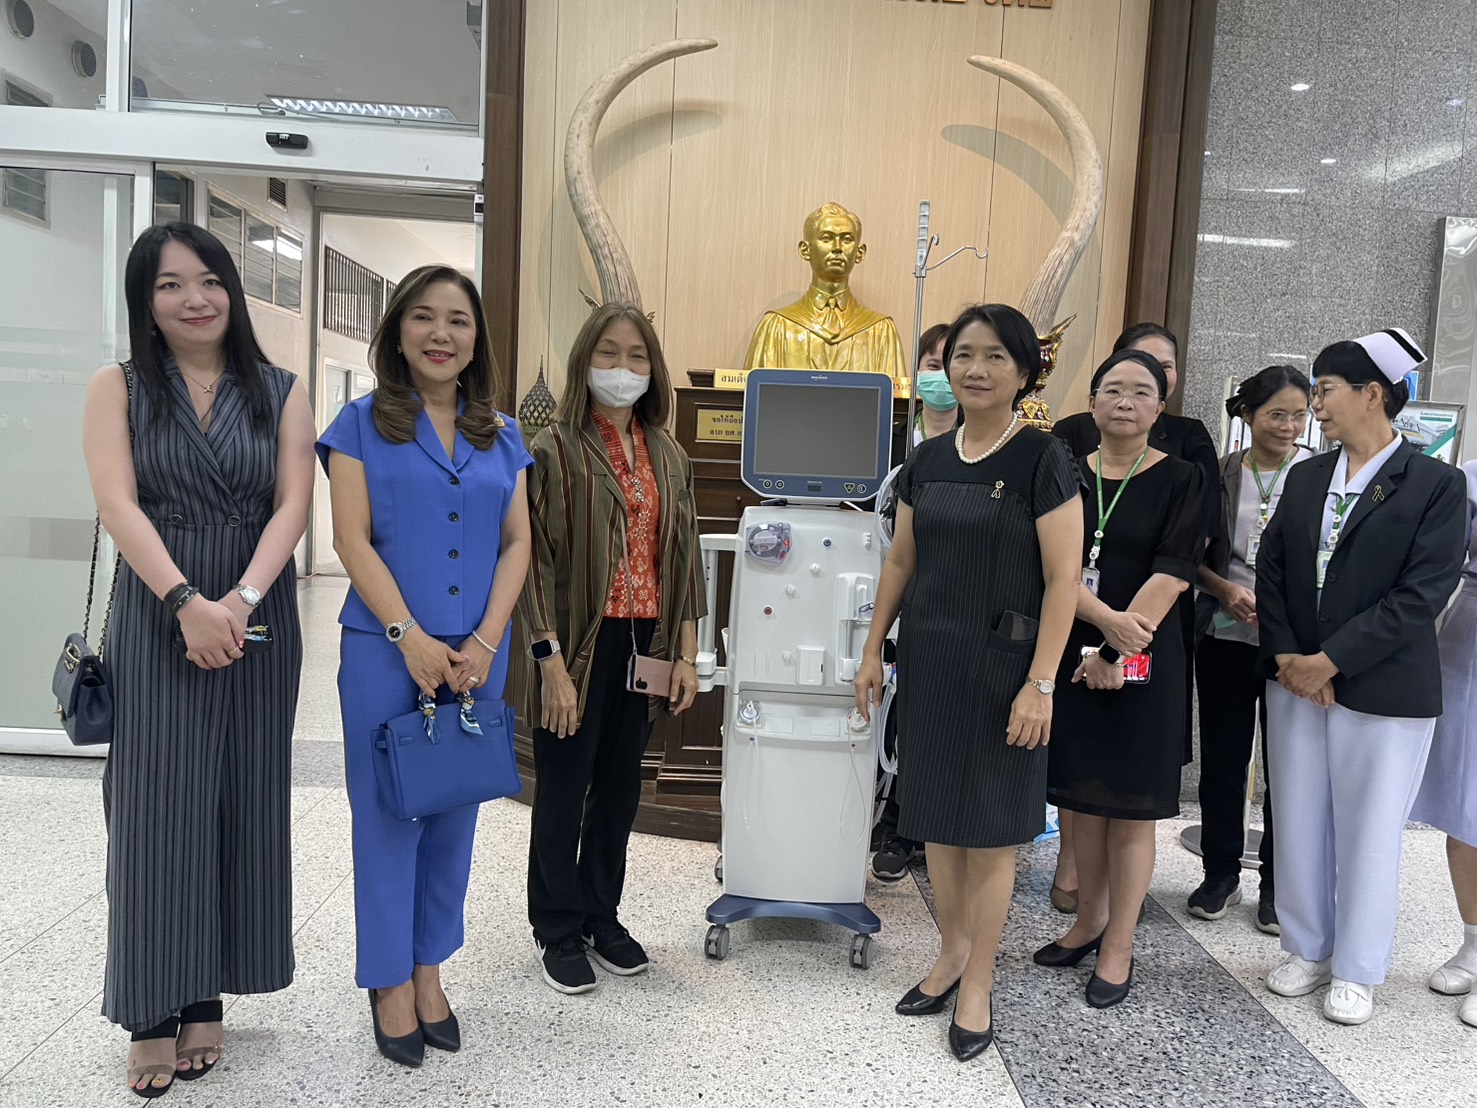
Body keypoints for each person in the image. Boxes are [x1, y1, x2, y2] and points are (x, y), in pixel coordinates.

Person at [81, 222, 315, 1097]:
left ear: (232, 292)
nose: (195, 298)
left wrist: (240, 602)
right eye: (170, 284)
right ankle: (150, 1009)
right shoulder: (118, 386)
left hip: (257, 611)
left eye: (210, 280)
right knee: (154, 812)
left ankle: (208, 993)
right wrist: (186, 602)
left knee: (239, 801)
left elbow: (293, 504)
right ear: (146, 301)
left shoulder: (280, 389)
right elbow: (117, 503)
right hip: (158, 611)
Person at [855, 303, 1084, 1060]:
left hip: (1006, 672)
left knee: (988, 834)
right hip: (931, 666)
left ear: (1023, 372)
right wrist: (871, 651)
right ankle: (951, 951)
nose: (974, 370)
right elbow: (901, 561)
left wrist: (1041, 684)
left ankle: (979, 979)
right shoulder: (926, 460)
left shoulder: (1043, 459)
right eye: (962, 355)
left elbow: (1063, 581)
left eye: (993, 357)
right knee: (938, 826)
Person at [318, 265, 532, 1067]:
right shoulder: (358, 425)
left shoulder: (501, 435)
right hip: (384, 650)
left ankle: (429, 968)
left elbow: (517, 541)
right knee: (386, 815)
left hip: (478, 653)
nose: (441, 334)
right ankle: (388, 981)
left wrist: (486, 639)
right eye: (422, 317)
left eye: (458, 320)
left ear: (476, 340)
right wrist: (408, 635)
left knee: (453, 812)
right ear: (397, 332)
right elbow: (349, 538)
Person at [1256, 328, 1465, 1026]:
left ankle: (1356, 967)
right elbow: (1272, 569)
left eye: (1324, 391)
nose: (1313, 405)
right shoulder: (1306, 475)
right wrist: (1290, 657)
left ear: (1371, 394)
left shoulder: (1436, 485)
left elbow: (1421, 593)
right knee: (1299, 817)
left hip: (1382, 688)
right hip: (1295, 681)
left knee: (1369, 830)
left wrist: (1332, 660)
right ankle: (1307, 947)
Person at [520, 303, 705, 996]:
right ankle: (557, 926)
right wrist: (549, 663)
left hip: (644, 644)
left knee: (621, 791)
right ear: (583, 361)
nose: (622, 368)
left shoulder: (669, 454)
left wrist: (686, 654)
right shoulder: (552, 449)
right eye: (607, 353)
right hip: (576, 644)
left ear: (652, 369)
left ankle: (601, 914)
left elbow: (683, 558)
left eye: (636, 356)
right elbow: (531, 562)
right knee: (564, 789)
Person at [1035, 347, 1207, 1010]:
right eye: (1112, 389)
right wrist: (1102, 629)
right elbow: (1051, 568)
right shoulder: (1063, 474)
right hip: (1071, 651)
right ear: (1092, 402)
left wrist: (1114, 649)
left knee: (1131, 810)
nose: (1125, 401)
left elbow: (1173, 572)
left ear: (1159, 409)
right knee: (1080, 802)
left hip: (1147, 657)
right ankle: (1087, 922)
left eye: (1140, 391)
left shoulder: (1183, 479)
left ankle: (1119, 946)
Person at [1190, 365, 1313, 932]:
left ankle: (1276, 886)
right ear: (1247, 414)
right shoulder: (1218, 476)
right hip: (1225, 634)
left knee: (1288, 766)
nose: (1288, 426)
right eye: (1276, 414)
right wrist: (1224, 590)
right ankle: (1219, 873)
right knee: (1224, 758)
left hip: (1293, 645)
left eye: (1299, 415)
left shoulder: (1318, 477)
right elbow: (1189, 556)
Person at [873, 320, 953, 882]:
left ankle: (914, 826)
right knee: (892, 713)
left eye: (952, 364)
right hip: (883, 589)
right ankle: (887, 817)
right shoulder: (887, 441)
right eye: (932, 364)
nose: (942, 377)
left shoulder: (980, 449)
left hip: (946, 599)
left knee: (932, 717)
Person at [1411, 459, 1477, 1029]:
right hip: (1470, 637)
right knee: (1464, 802)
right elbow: (1440, 557)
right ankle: (1473, 941)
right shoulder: (1471, 477)